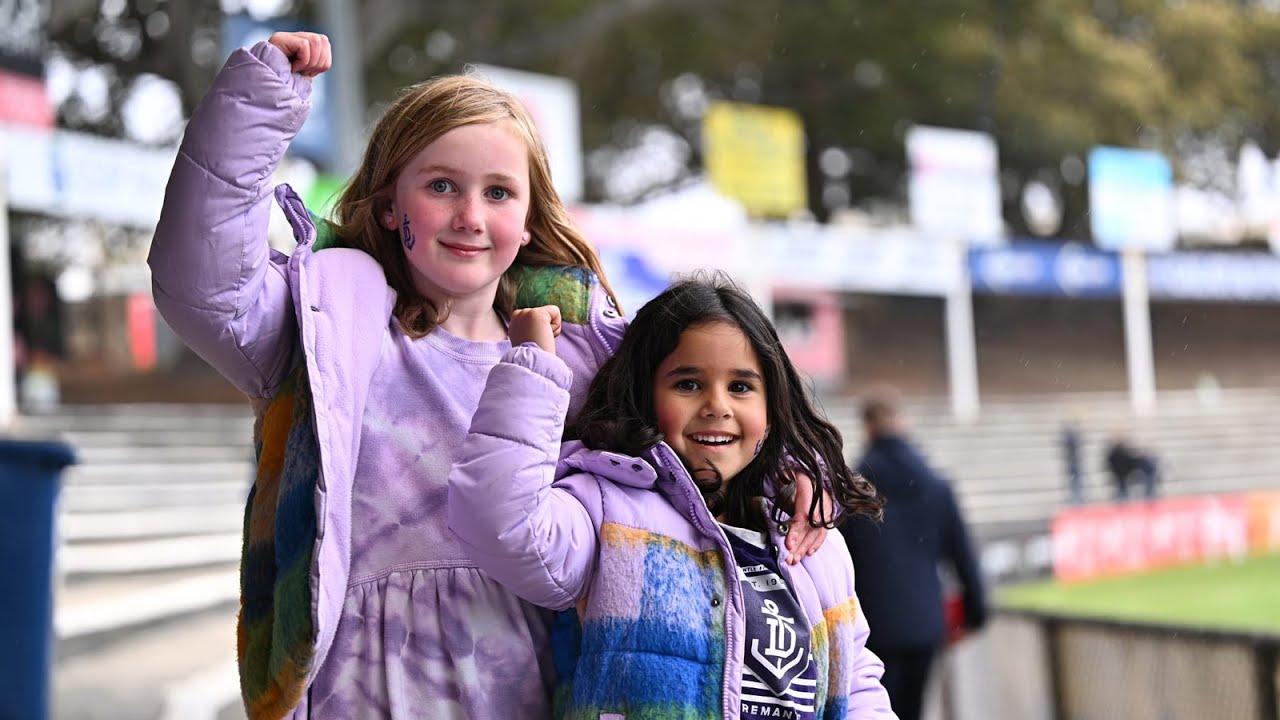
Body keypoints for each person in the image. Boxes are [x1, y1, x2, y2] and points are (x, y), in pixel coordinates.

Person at [147, 32, 831, 719]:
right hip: (365, 686)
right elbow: (200, 282)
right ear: (390, 206)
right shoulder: (326, 324)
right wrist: (258, 103)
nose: (470, 217)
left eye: (499, 192)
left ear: (529, 218)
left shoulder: (585, 358)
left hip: (532, 676)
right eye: (441, 186)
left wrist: (786, 474)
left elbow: (697, 435)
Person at [449, 275, 897, 719]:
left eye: (741, 386)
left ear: (772, 404)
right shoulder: (603, 509)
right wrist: (533, 366)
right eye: (688, 384)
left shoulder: (814, 540)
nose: (717, 406)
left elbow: (855, 680)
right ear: (644, 394)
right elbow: (501, 525)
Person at [837, 388, 987, 720]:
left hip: (871, 625)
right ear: (902, 424)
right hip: (925, 623)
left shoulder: (851, 490)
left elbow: (836, 562)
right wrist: (975, 613)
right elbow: (963, 555)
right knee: (914, 709)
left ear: (867, 428)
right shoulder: (937, 485)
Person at [1105, 431, 1159, 500]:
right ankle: (1123, 500)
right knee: (1122, 489)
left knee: (1122, 489)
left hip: (1124, 472)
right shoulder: (1118, 451)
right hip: (1121, 473)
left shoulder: (1123, 449)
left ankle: (1148, 496)